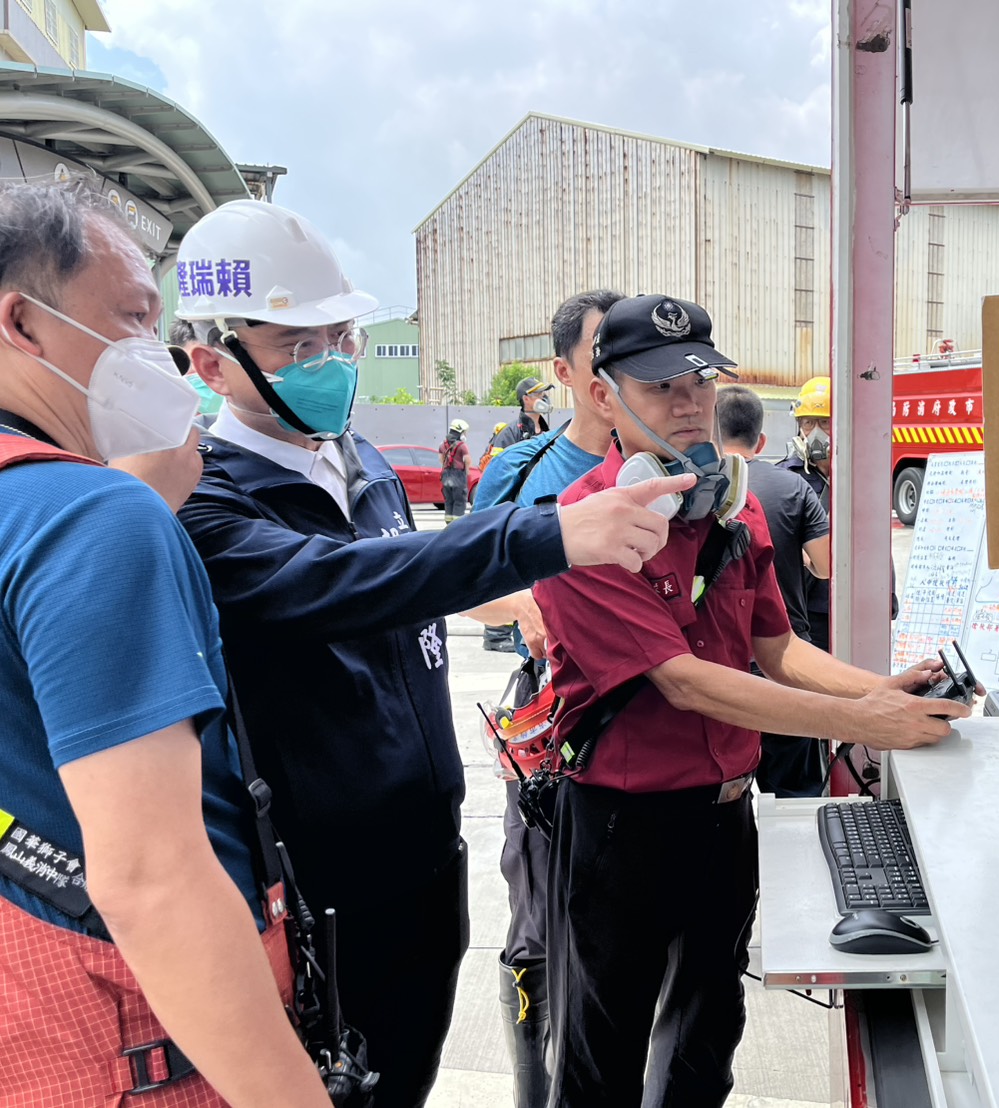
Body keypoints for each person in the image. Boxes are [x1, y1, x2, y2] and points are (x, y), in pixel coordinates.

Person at [171, 200, 692, 1108]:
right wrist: (545, 538)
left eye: (340, 338)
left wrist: (518, 596)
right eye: (298, 346)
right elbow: (339, 582)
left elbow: (407, 579)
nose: (331, 361)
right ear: (212, 363)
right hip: (319, 883)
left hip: (425, 852)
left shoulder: (360, 462)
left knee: (409, 1075)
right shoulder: (206, 500)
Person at [533, 294, 970, 1108]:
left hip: (727, 814)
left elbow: (779, 650)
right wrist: (861, 722)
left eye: (699, 382)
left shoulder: (734, 516)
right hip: (623, 827)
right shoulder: (578, 530)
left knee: (707, 1033)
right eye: (660, 387)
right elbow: (683, 681)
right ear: (602, 397)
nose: (689, 403)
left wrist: (883, 689)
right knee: (605, 1047)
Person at [0, 184, 331, 1105]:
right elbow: (152, 879)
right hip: (133, 1039)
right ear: (23, 324)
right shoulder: (91, 517)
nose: (159, 353)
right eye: (134, 318)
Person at [459, 288, 623, 1107]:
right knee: (538, 921)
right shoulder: (520, 469)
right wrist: (523, 603)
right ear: (564, 373)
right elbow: (457, 583)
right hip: (550, 722)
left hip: (649, 716)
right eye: (602, 356)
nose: (619, 375)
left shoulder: (669, 466)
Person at [716, 384, 833, 796]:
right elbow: (826, 565)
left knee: (722, 795)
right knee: (794, 794)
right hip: (786, 660)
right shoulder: (794, 488)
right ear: (761, 440)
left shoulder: (690, 490)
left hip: (718, 669)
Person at [779, 374, 833, 647]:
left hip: (855, 600)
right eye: (808, 422)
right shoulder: (786, 478)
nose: (815, 432)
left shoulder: (860, 475)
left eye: (825, 422)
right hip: (810, 605)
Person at [487, 375, 554, 456]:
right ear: (526, 399)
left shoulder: (547, 433)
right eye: (539, 394)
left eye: (543, 393)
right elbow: (499, 463)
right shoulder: (509, 434)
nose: (544, 398)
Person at [439, 416, 471, 522]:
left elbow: (441, 460)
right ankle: (457, 524)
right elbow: (467, 460)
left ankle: (448, 522)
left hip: (446, 474)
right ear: (460, 432)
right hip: (458, 475)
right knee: (459, 501)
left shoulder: (442, 445)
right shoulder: (462, 446)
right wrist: (467, 472)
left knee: (449, 500)